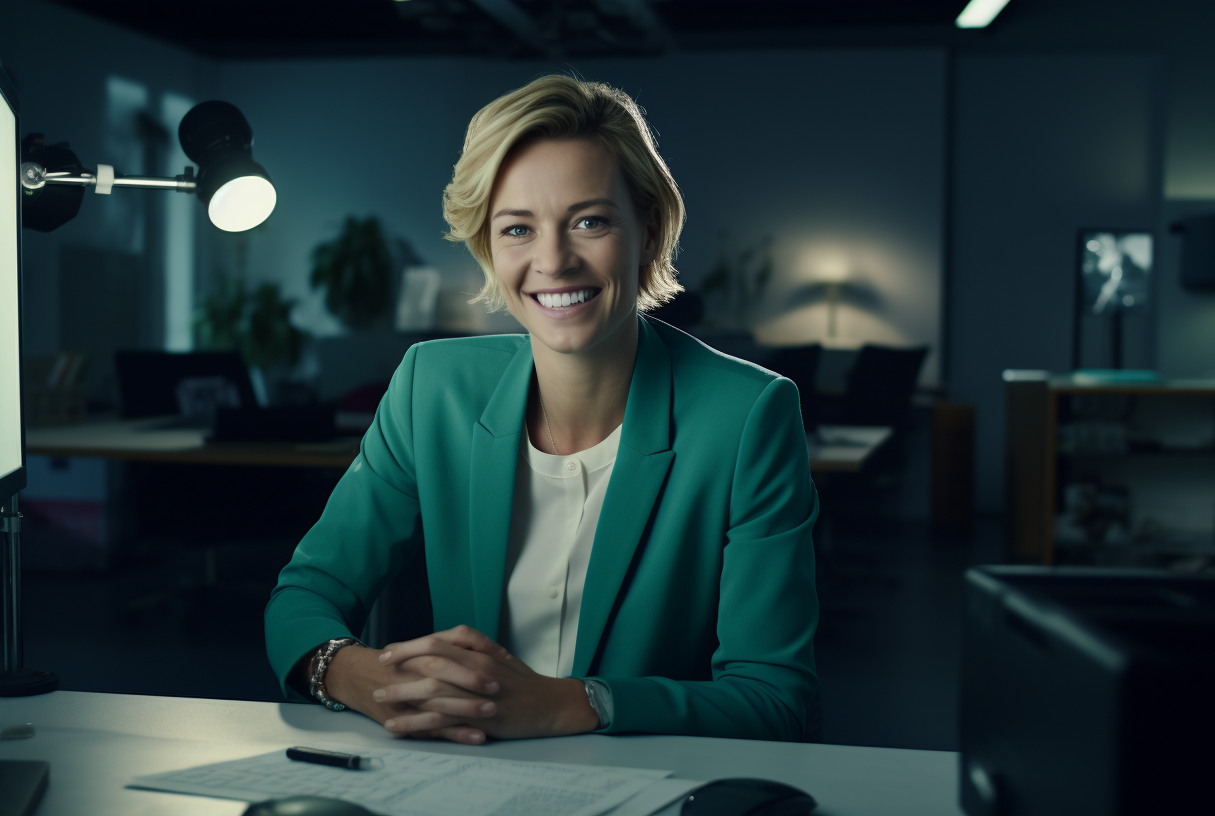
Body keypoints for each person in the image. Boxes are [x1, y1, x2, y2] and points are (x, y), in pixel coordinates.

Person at [265, 74, 819, 745]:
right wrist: (366, 679)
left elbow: (773, 698)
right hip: (464, 777)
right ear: (488, 248)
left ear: (646, 232)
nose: (552, 261)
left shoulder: (747, 415)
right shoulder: (430, 388)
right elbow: (304, 595)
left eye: (589, 221)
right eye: (518, 228)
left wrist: (572, 704)